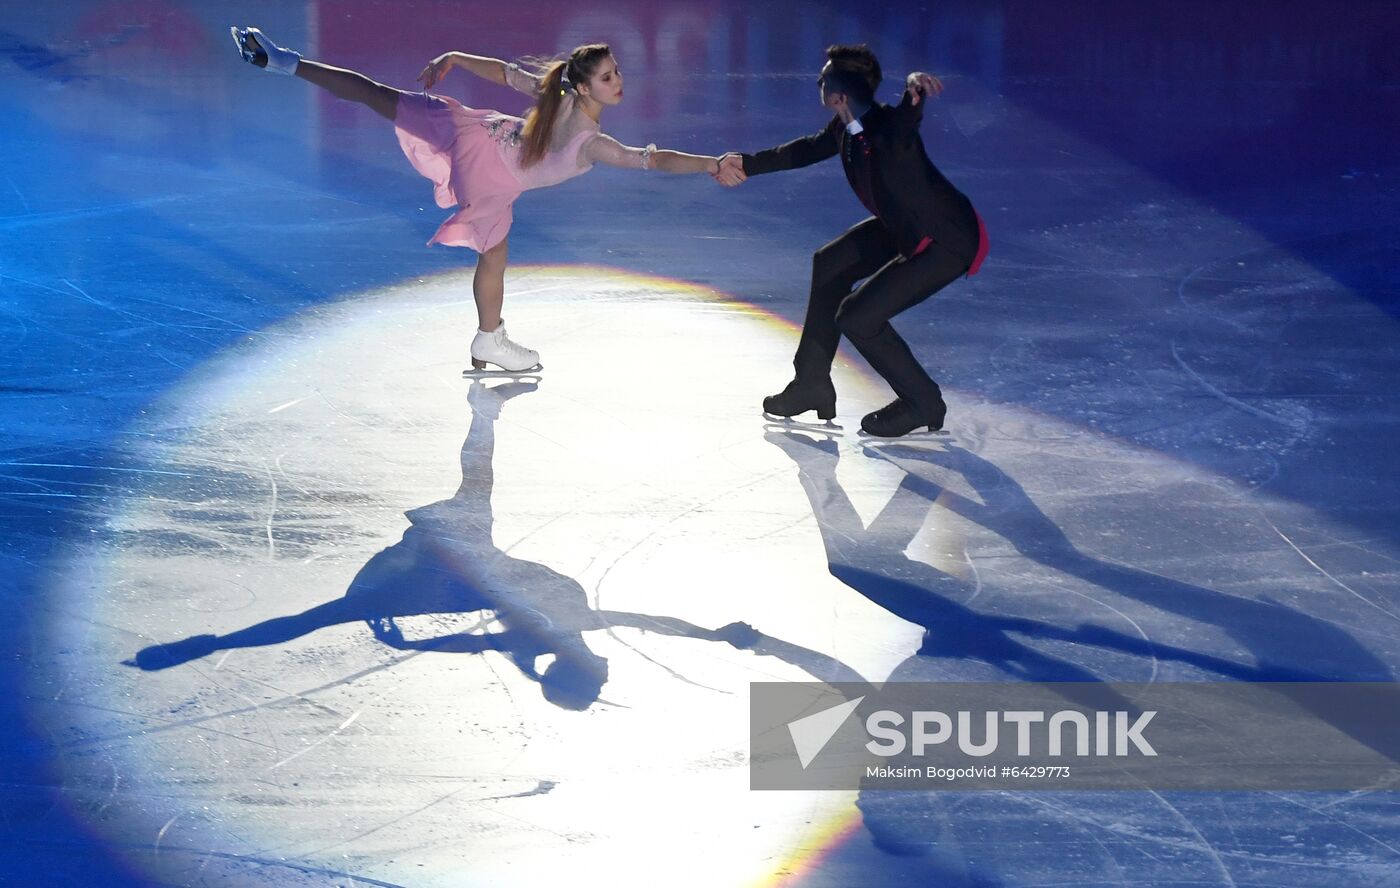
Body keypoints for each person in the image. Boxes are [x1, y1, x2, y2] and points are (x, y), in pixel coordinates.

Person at [230, 27, 727, 373]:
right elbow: (651, 160)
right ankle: (489, 337)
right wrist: (709, 164)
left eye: (616, 72)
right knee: (494, 254)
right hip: (489, 176)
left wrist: (456, 57)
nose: (618, 82)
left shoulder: (559, 94)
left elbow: (509, 75)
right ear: (583, 85)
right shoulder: (592, 143)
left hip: (473, 132)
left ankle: (279, 60)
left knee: (376, 95)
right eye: (608, 77)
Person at [716, 44, 989, 437]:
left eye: (823, 79)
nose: (818, 82)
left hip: (944, 238)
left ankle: (922, 400)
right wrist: (750, 164)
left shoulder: (890, 130)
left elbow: (905, 122)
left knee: (858, 317)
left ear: (839, 95)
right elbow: (809, 149)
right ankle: (811, 382)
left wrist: (914, 91)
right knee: (832, 262)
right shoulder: (846, 124)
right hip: (904, 224)